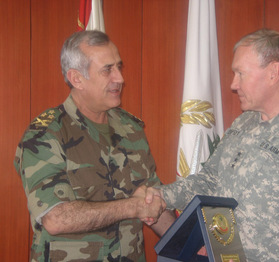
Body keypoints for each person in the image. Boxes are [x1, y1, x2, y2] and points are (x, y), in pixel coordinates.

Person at [145, 29, 279, 261]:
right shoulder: (244, 123)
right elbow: (211, 180)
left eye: (241, 73)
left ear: (274, 72)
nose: (233, 84)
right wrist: (162, 196)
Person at [14, 30, 175, 262]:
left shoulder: (131, 129)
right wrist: (132, 207)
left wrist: (191, 245)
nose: (120, 78)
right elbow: (56, 218)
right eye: (107, 70)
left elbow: (151, 203)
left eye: (118, 67)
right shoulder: (45, 133)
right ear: (77, 78)